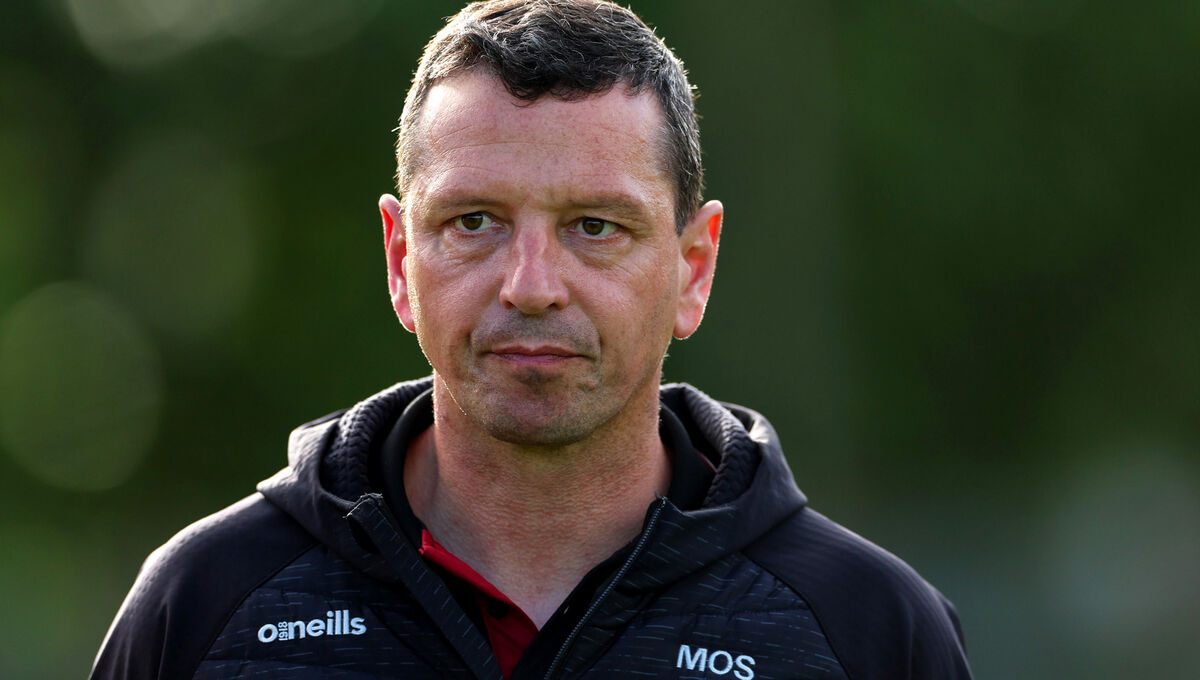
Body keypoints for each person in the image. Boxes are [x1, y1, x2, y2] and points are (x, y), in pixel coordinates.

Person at [91, 1, 973, 678]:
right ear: (402, 259)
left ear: (692, 268)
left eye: (595, 226)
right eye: (475, 221)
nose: (532, 285)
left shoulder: (868, 631)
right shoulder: (202, 607)